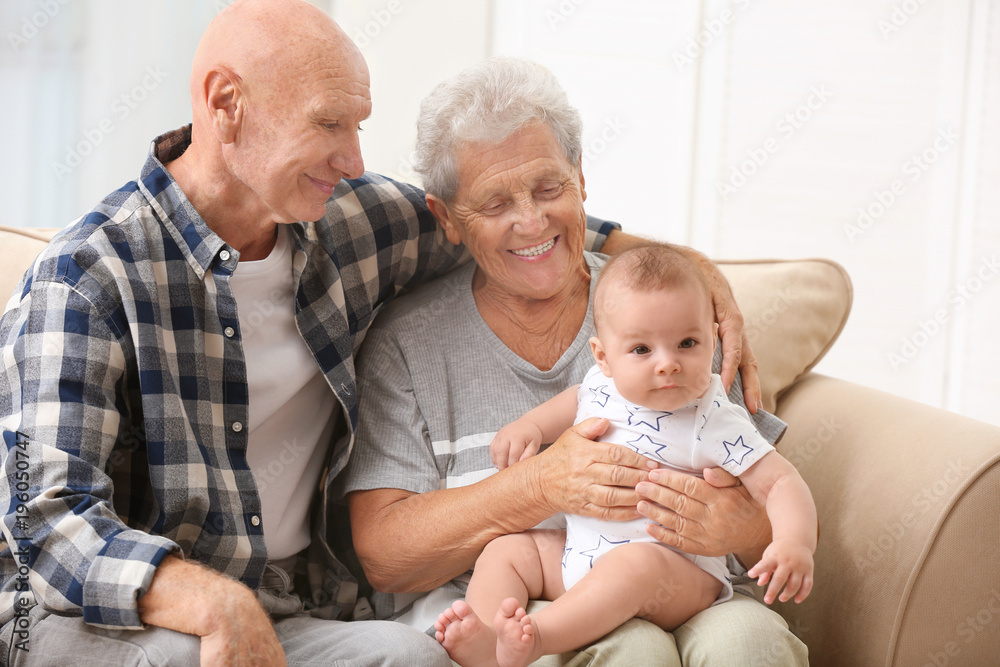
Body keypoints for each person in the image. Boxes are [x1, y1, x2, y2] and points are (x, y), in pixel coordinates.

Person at [0, 3, 757, 665]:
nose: (355, 159)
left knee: (411, 656)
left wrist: (687, 270)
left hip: (285, 606)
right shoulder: (87, 279)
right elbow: (47, 518)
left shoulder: (349, 224)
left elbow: (512, 221)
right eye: (329, 123)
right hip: (92, 616)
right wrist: (208, 602)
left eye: (357, 126)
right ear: (226, 103)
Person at [344, 57, 809, 666]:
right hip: (530, 607)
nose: (532, 222)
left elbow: (774, 503)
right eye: (495, 204)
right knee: (631, 649)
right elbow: (385, 554)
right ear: (446, 219)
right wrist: (537, 484)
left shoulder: (674, 318)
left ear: (581, 178)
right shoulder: (406, 344)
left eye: (548, 187)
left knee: (752, 642)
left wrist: (737, 529)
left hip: (696, 589)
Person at [434, 246, 817, 666]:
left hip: (677, 580)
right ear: (603, 357)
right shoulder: (601, 385)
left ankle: (539, 638)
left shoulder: (712, 417)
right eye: (641, 350)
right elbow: (574, 400)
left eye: (687, 343)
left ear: (713, 340)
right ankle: (490, 643)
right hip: (580, 560)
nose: (668, 364)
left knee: (637, 563)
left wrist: (793, 542)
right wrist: (529, 427)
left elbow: (780, 481)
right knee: (507, 550)